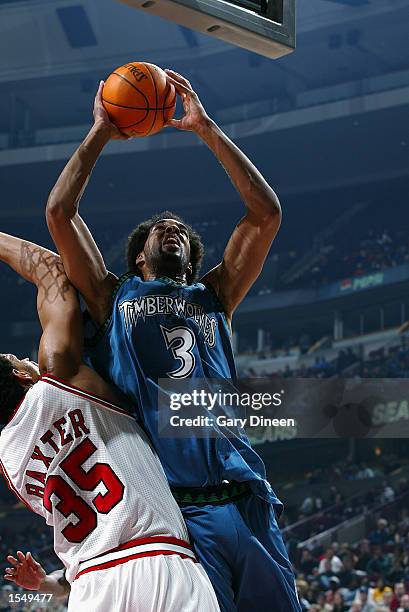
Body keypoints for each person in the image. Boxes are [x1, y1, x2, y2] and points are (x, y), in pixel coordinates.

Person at [45, 69, 300, 612]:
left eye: (180, 228)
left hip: (247, 496)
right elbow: (59, 214)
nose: (173, 229)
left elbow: (267, 214)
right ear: (139, 255)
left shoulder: (216, 294)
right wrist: (99, 132)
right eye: (162, 228)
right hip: (178, 513)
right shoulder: (113, 298)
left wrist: (206, 128)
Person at [0, 232, 218, 612]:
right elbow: (51, 270)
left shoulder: (10, 462)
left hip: (90, 589)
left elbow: (97, 532)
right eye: (23, 361)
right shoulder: (59, 381)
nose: (31, 361)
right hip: (159, 563)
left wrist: (50, 586)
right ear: (22, 377)